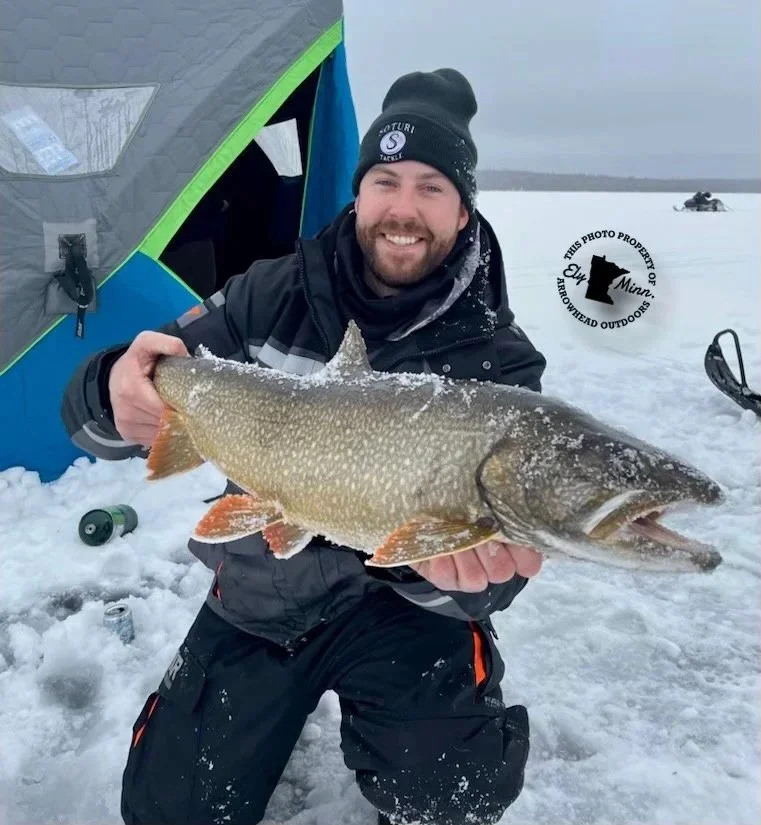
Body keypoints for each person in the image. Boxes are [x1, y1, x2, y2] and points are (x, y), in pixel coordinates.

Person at [62, 68, 547, 825]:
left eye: (431, 187)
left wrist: (444, 574)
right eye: (386, 180)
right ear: (359, 192)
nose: (403, 209)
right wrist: (110, 387)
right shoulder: (268, 292)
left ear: (461, 211)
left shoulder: (499, 363)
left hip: (404, 614)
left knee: (455, 788)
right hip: (262, 594)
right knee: (169, 812)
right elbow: (109, 409)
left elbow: (489, 578)